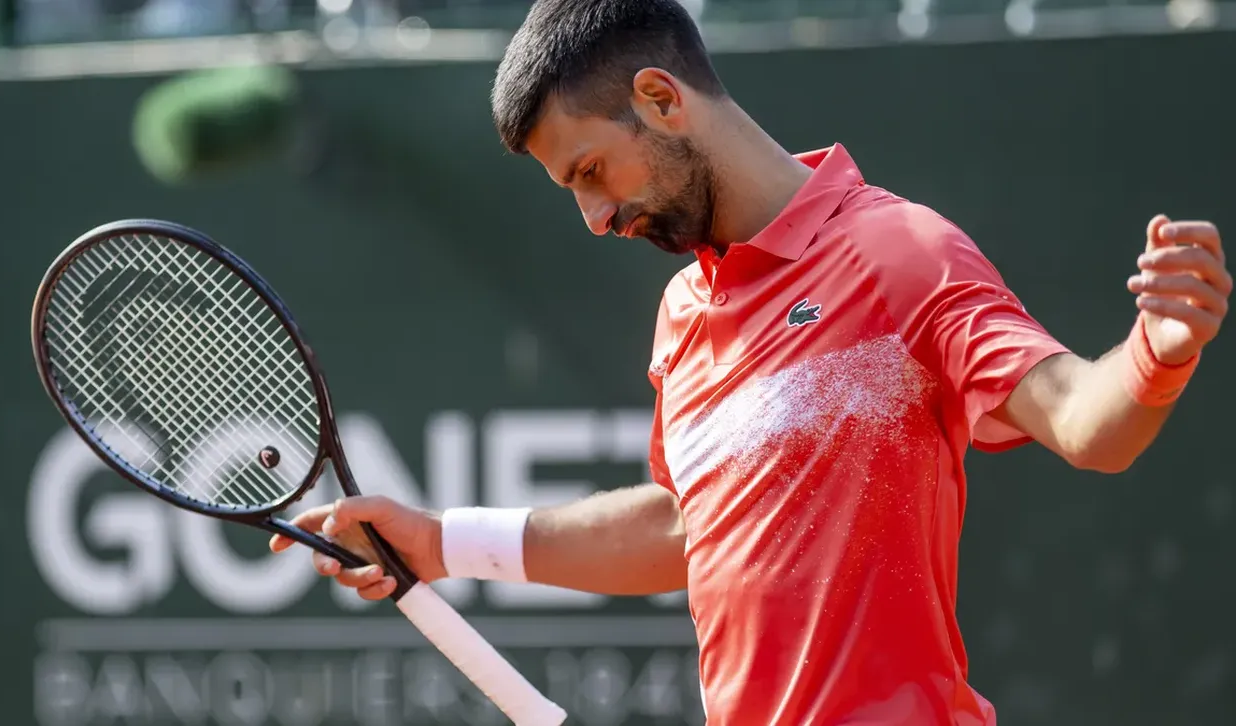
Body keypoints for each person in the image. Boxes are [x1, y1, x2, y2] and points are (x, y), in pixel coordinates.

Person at [269, 1, 1231, 723]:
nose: (594, 217)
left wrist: (1157, 350)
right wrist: (443, 543)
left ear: (661, 99)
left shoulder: (900, 254)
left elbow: (1086, 424)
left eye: (591, 172)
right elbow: (689, 527)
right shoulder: (682, 312)